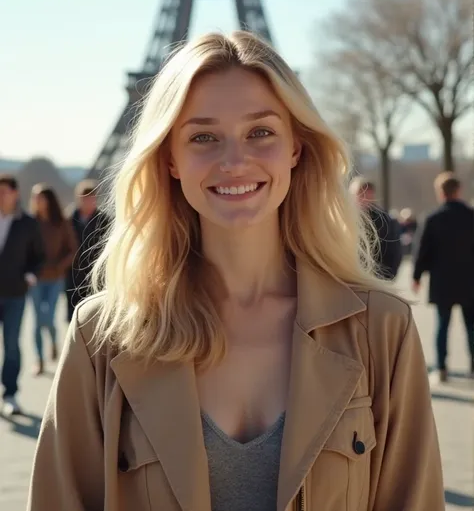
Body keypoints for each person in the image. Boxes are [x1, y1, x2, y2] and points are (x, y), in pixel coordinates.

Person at [28, 32, 444, 511]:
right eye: (203, 137)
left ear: (296, 148)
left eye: (260, 132)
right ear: (170, 160)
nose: (234, 161)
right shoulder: (100, 336)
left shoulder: (382, 330)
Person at [413, 172, 474, 383]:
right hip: (470, 281)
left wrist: (416, 276)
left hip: (442, 282)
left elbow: (422, 251)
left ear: (440, 192)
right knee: (472, 326)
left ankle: (441, 368)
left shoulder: (432, 218)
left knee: (442, 326)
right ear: (459, 190)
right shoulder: (471, 216)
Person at [0, 175, 44, 416]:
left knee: (11, 344)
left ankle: (10, 394)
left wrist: (31, 274)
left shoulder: (28, 223)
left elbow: (39, 256)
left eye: (5, 191)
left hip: (15, 293)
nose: (1, 196)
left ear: (15, 193)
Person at [29, 184, 77, 375]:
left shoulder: (61, 222)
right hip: (35, 279)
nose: (36, 201)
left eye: (40, 197)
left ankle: (55, 339)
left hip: (55, 278)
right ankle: (39, 360)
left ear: (49, 200)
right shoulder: (30, 223)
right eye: (34, 198)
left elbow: (73, 249)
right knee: (37, 321)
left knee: (46, 317)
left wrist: (59, 267)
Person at [65, 179, 109, 321]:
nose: (87, 201)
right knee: (73, 313)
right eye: (84, 198)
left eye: (90, 197)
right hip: (73, 272)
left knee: (94, 313)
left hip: (95, 272)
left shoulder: (105, 220)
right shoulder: (68, 219)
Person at [350, 177, 402, 280]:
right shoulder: (344, 217)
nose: (364, 198)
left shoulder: (384, 220)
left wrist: (388, 275)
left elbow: (393, 249)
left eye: (367, 194)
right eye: (360, 193)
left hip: (377, 276)